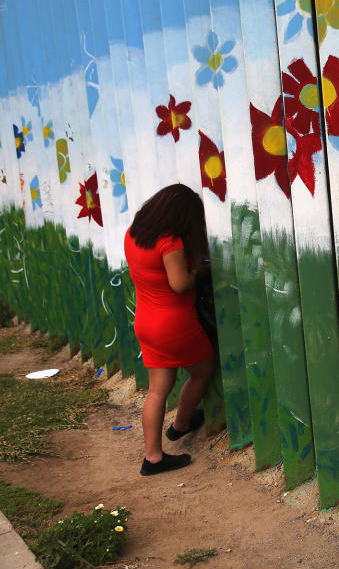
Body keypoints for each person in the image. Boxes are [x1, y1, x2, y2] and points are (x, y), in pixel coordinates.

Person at [124, 184, 214, 476]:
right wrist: (199, 270)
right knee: (202, 371)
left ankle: (153, 458)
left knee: (157, 391)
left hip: (146, 323)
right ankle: (181, 424)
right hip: (174, 325)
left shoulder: (133, 234)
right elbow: (180, 284)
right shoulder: (170, 242)